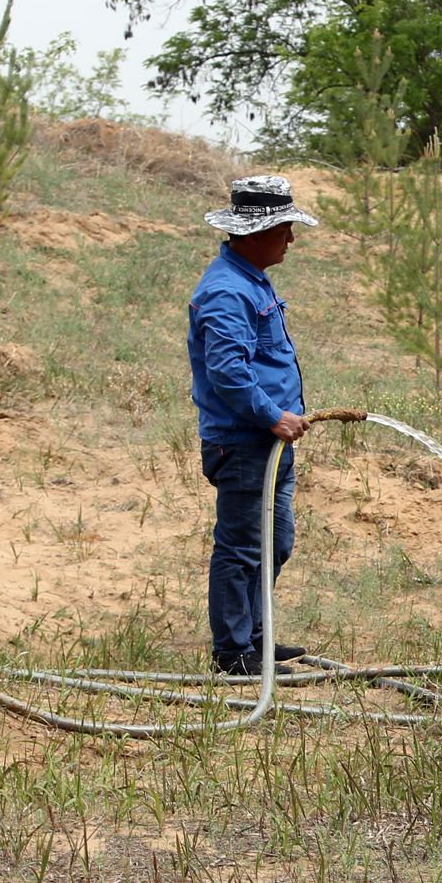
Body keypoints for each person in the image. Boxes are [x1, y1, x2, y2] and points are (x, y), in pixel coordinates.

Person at [189, 175, 316, 676]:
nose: (291, 238)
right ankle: (234, 653)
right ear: (256, 233)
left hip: (267, 444)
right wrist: (272, 415)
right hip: (244, 444)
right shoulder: (226, 291)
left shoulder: (249, 280)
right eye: (284, 227)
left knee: (274, 540)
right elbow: (227, 371)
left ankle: (256, 641)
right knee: (243, 546)